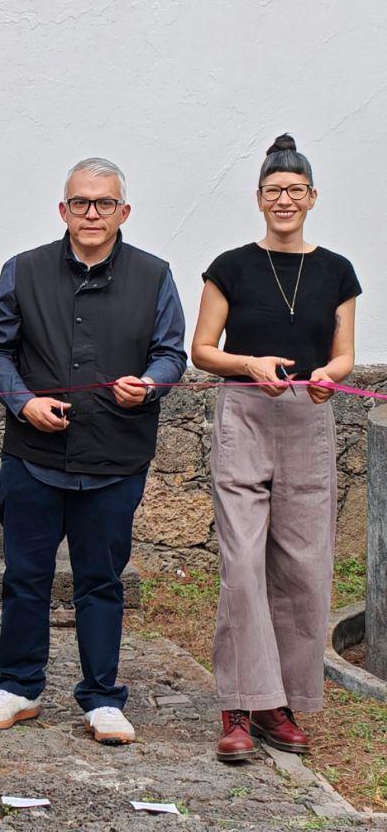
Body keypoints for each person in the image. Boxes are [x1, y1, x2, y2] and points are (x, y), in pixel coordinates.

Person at [0, 157, 187, 745]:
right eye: (81, 203)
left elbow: (172, 353)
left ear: (124, 211)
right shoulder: (24, 269)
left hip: (115, 456)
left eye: (105, 203)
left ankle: (101, 696)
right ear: (62, 209)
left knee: (100, 580)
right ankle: (17, 686)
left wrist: (150, 383)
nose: (92, 213)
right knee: (25, 576)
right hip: (33, 456)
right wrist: (23, 403)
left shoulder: (155, 275)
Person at [190, 134, 358, 762]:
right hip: (246, 415)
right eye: (272, 191)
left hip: (309, 421)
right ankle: (238, 704)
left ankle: (277, 703)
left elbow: (342, 352)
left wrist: (332, 378)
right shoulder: (230, 265)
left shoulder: (338, 270)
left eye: (294, 190)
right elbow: (202, 351)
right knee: (241, 567)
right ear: (258, 199)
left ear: (312, 197)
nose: (283, 199)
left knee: (304, 571)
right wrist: (248, 363)